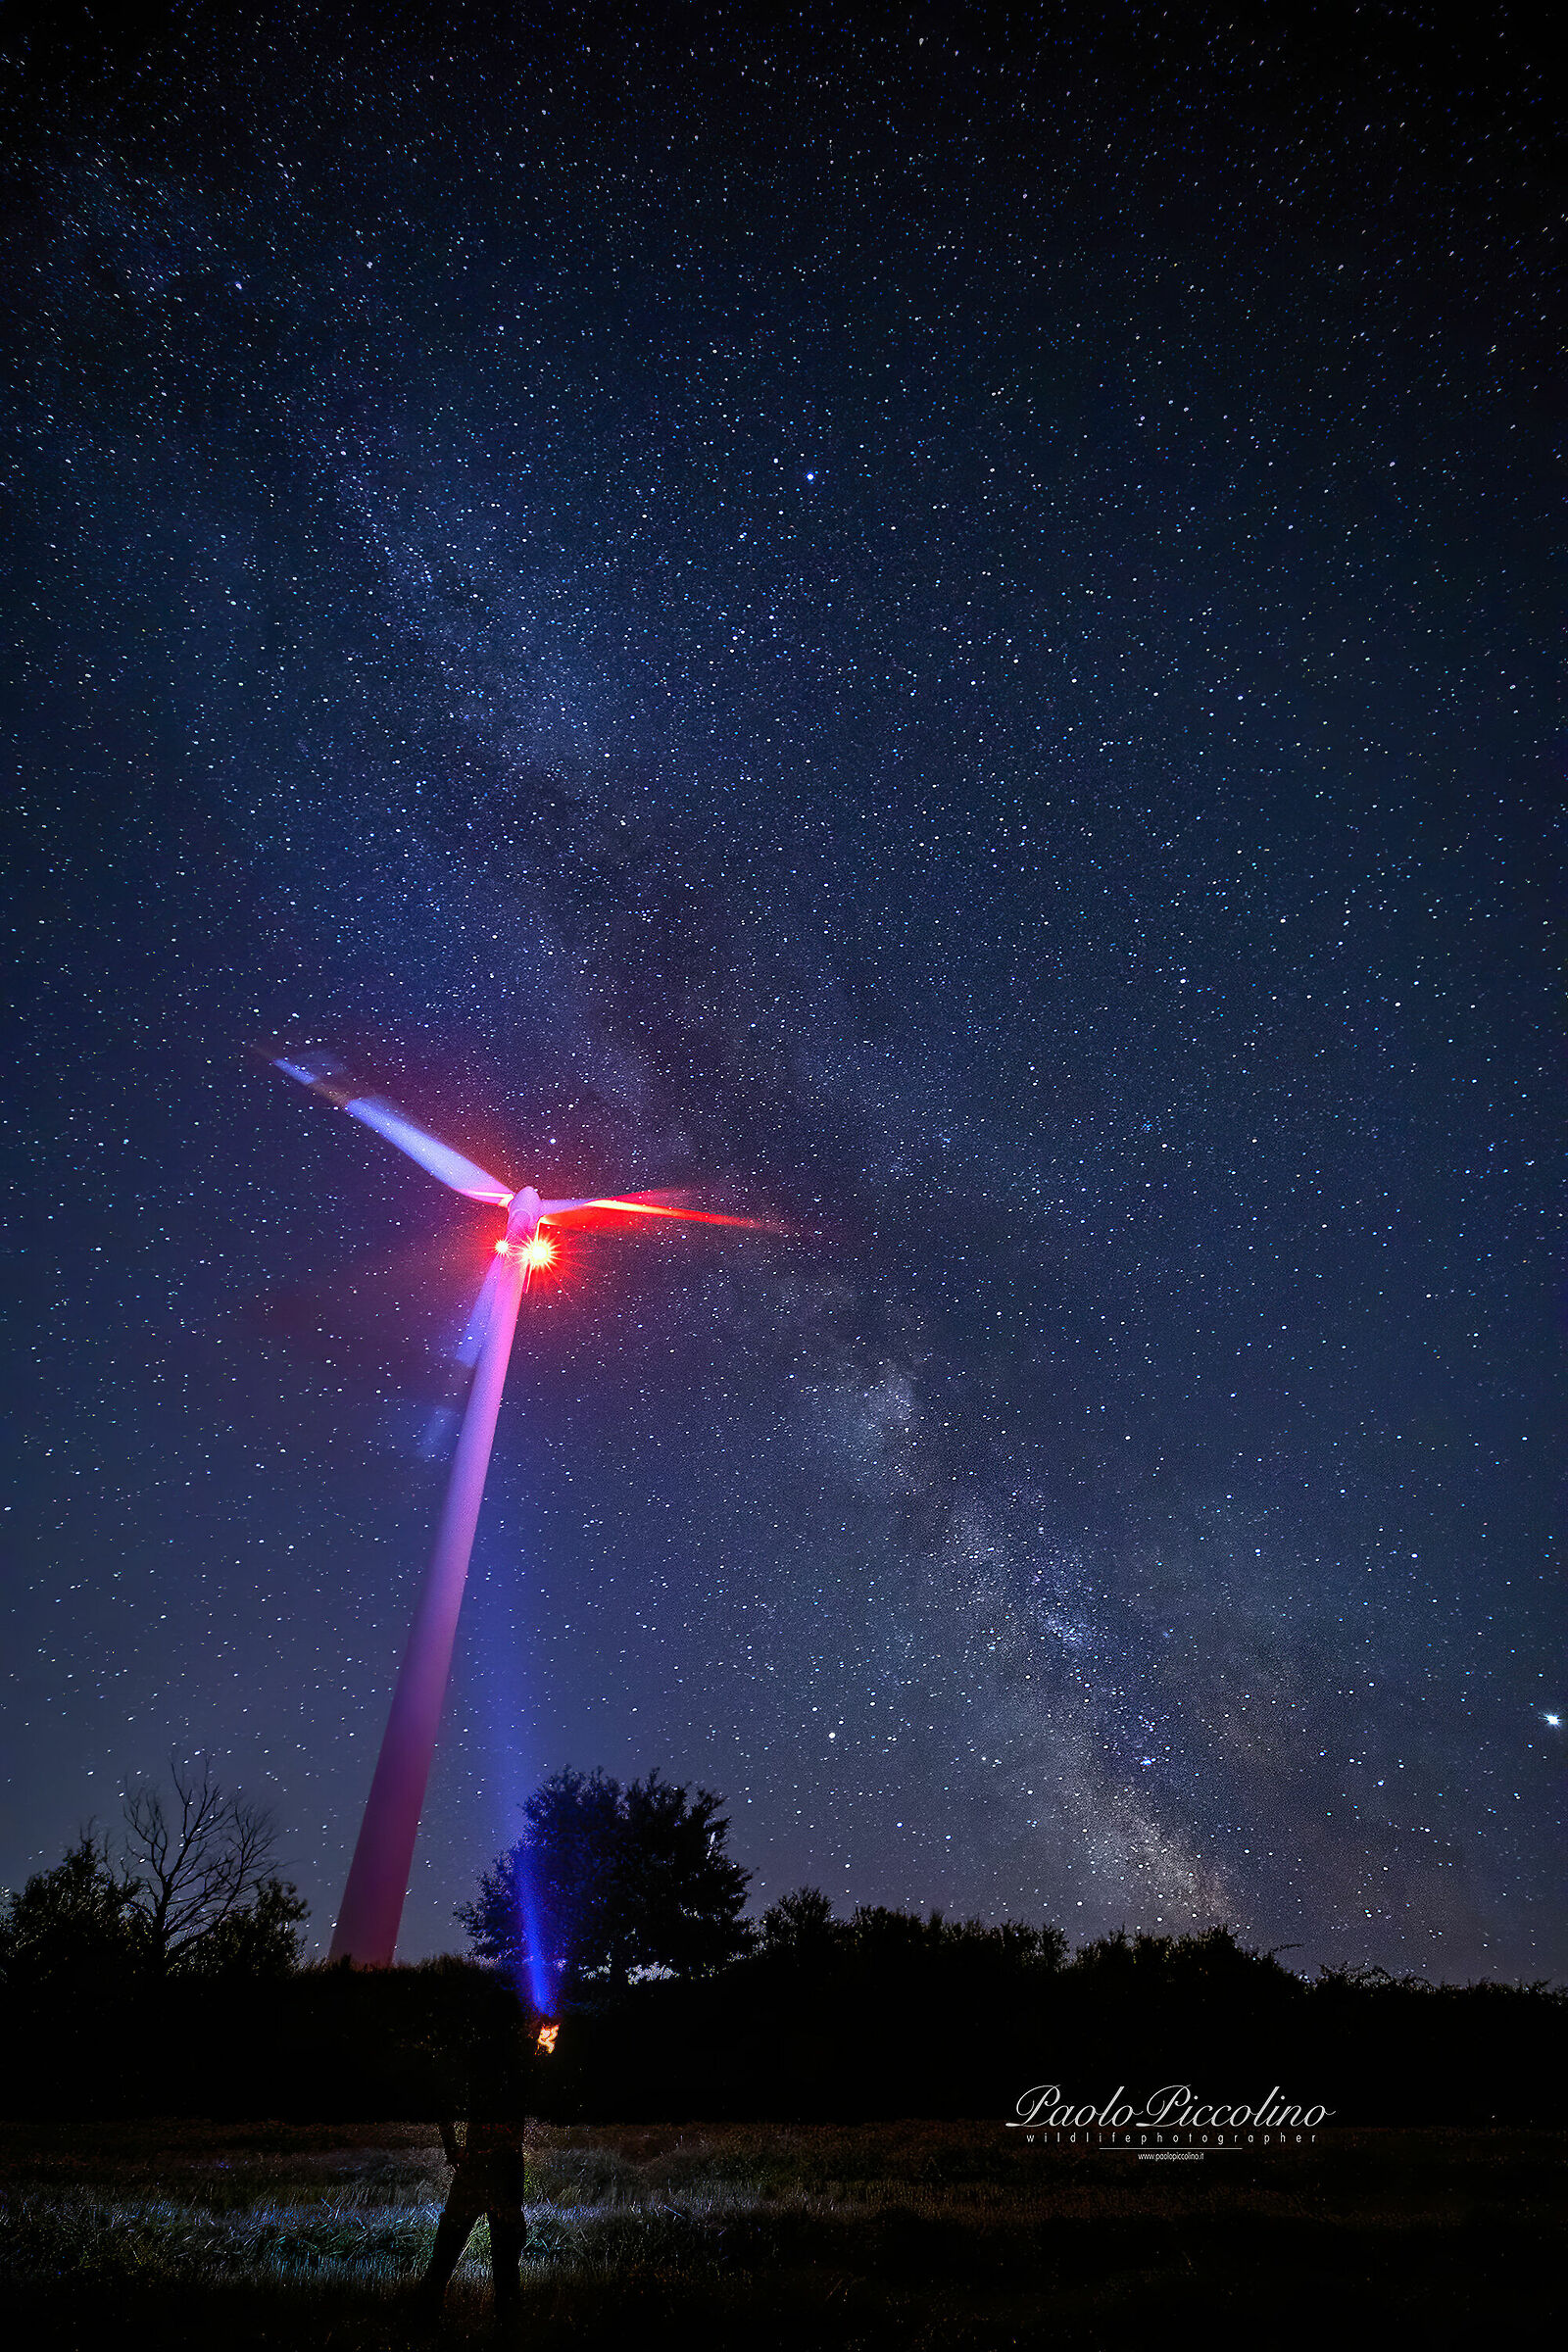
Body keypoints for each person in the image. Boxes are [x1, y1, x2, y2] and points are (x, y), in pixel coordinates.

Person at [416, 2059, 527, 2320]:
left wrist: (452, 2148)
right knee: (449, 2254)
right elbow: (442, 2102)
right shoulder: (494, 2073)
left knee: (504, 2261)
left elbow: (443, 2101)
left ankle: (506, 2327)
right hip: (486, 2170)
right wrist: (452, 2148)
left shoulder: (511, 2072)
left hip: (500, 2171)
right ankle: (424, 2318)